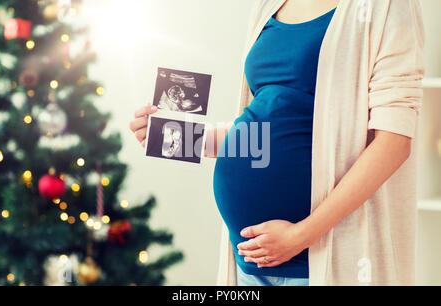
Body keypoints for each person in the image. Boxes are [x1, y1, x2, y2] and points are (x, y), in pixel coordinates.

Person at [130, 0, 425, 286]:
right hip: (250, 262)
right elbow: (266, 129)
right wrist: (174, 138)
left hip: (319, 263)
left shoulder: (385, 5)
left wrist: (301, 236)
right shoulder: (268, 5)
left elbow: (393, 142)